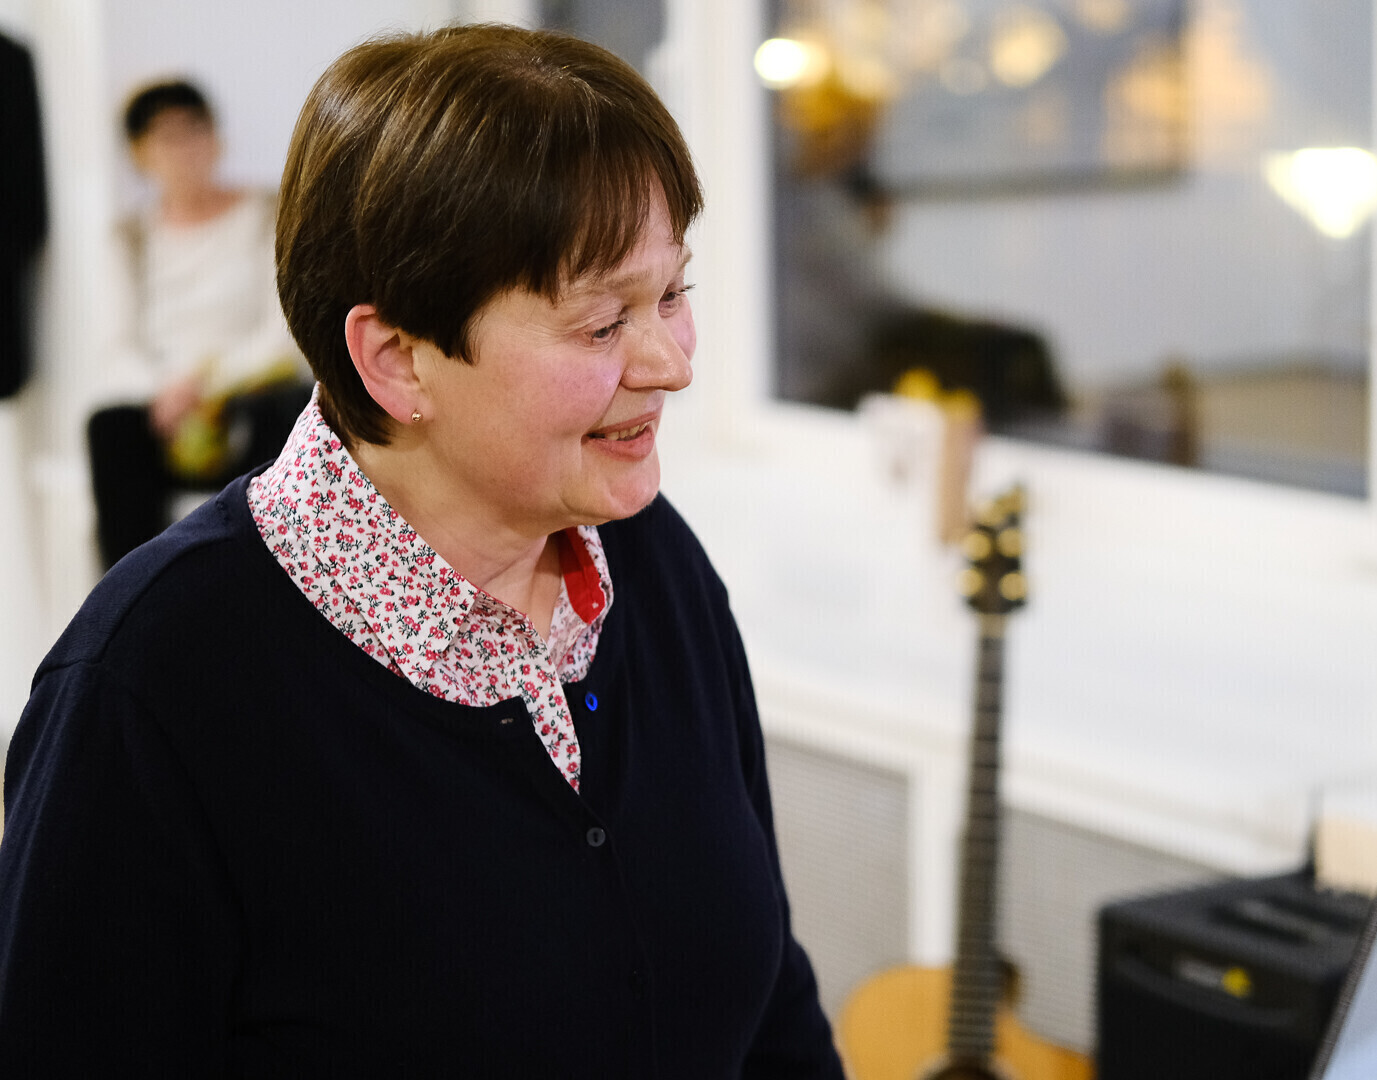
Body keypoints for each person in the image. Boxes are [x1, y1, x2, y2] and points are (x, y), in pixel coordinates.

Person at [0, 26, 845, 1077]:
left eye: (673, 294)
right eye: (601, 324)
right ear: (397, 359)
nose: (671, 363)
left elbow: (769, 1002)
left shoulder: (656, 562)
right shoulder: (152, 685)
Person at [87, 79, 307, 569]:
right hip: (164, 402)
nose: (184, 149)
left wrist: (206, 385)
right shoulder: (129, 237)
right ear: (139, 154)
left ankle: (273, 581)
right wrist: (167, 392)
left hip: (249, 386)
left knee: (282, 411)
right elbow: (117, 345)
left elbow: (284, 330)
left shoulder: (268, 213)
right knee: (111, 427)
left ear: (216, 137)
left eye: (193, 130)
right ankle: (128, 590)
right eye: (166, 137)